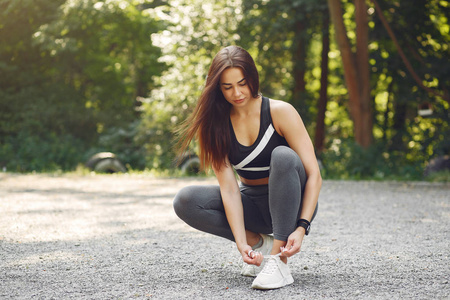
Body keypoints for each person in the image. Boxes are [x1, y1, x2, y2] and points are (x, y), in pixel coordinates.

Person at [173, 45, 321, 290]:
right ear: (217, 88)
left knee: (282, 156)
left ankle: (278, 260)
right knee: (186, 200)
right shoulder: (214, 126)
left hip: (292, 206)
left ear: (252, 78)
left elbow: (314, 175)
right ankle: (259, 243)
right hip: (251, 204)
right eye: (227, 87)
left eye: (242, 83)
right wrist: (242, 242)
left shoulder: (280, 112)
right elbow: (229, 190)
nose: (237, 93)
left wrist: (302, 227)